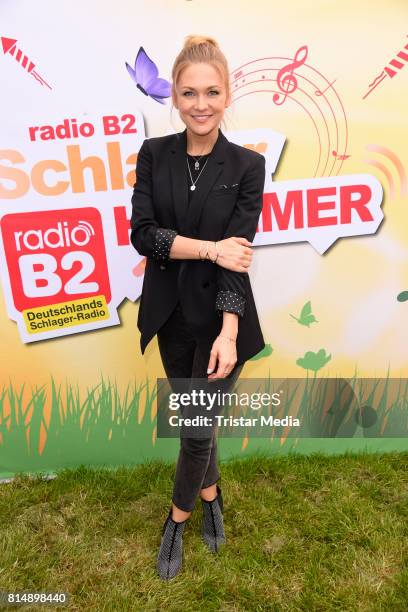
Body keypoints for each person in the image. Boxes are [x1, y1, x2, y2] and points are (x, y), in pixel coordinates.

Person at [130, 34, 266, 580]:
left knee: (192, 427)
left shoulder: (245, 166)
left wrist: (229, 333)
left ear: (227, 94)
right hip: (169, 316)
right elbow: (144, 236)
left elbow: (240, 254)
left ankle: (176, 523)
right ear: (175, 99)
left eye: (212, 92)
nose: (201, 104)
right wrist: (207, 247)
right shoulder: (153, 154)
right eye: (189, 93)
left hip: (220, 319)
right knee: (199, 424)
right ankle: (211, 495)